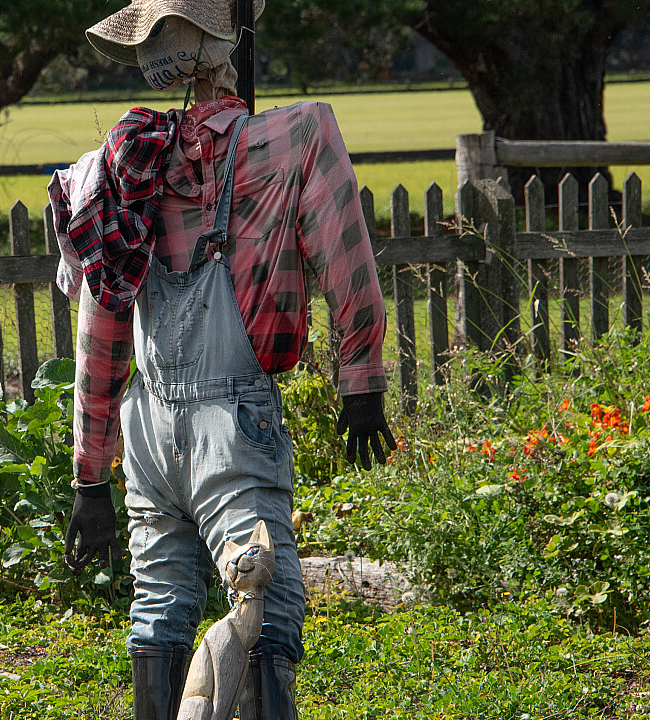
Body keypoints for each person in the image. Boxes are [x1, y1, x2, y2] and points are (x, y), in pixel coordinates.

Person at [48, 2, 398, 719]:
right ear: (227, 43)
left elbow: (102, 326)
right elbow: (348, 262)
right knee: (267, 605)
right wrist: (360, 380)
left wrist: (90, 475)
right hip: (232, 427)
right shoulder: (293, 137)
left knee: (161, 605)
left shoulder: (115, 169)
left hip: (146, 432)